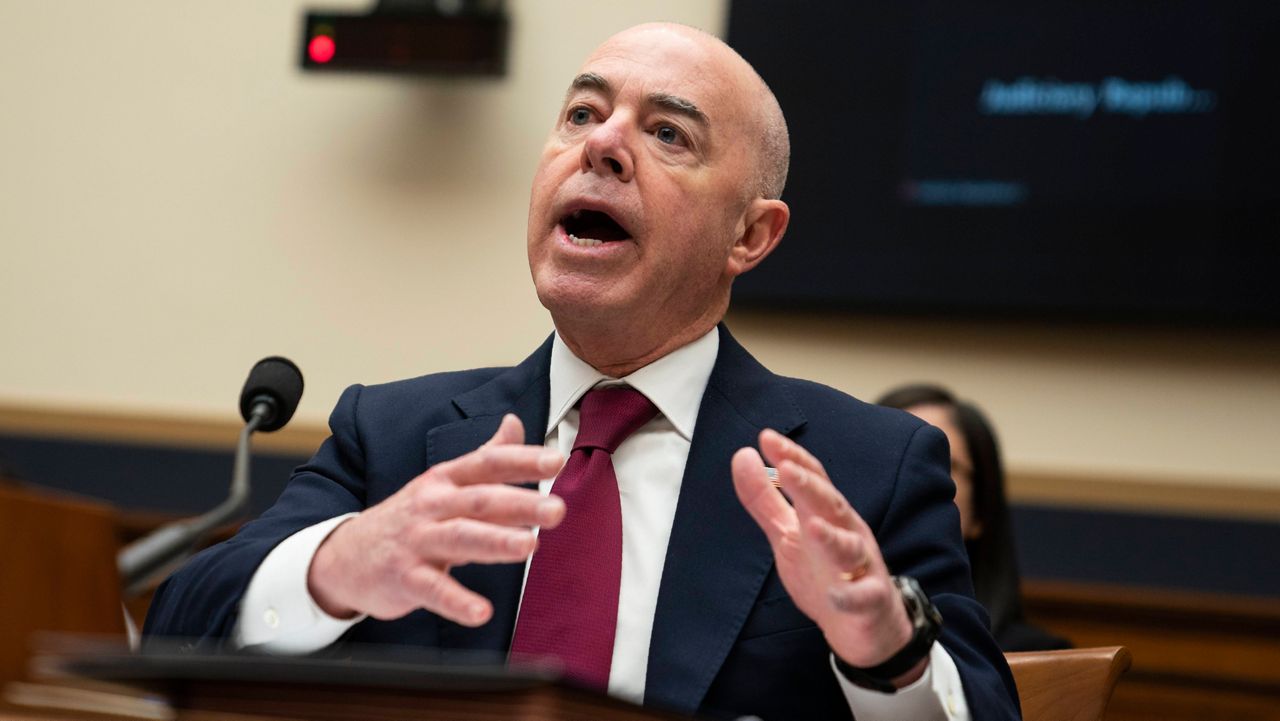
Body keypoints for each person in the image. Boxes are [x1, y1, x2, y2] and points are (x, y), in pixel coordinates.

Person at [145, 23, 1020, 721]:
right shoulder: (396, 435)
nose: (602, 145)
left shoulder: (866, 465)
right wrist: (340, 563)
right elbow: (180, 626)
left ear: (750, 236)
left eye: (667, 132)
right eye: (580, 114)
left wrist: (886, 651)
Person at [877, 383, 1071, 653]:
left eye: (936, 462)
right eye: (889, 461)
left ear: (980, 509)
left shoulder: (1041, 658)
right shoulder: (811, 641)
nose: (905, 482)